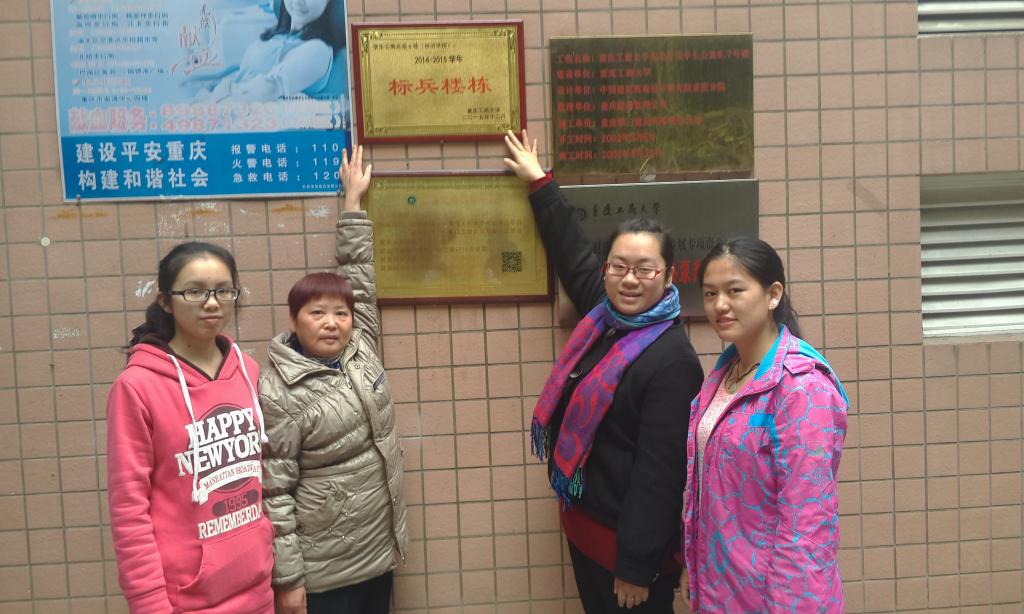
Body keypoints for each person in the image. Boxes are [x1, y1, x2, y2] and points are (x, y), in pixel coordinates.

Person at [503, 130, 704, 613]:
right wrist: (539, 183)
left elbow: (660, 477)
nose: (629, 279)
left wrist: (636, 566)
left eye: (645, 269)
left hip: (627, 558)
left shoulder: (673, 362)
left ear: (669, 276)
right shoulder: (605, 315)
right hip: (587, 532)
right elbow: (572, 253)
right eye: (619, 266)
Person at [260, 145, 408, 614]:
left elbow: (358, 273)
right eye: (317, 313)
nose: (332, 323)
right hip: (324, 572)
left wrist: (353, 203)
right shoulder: (277, 391)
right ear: (294, 319)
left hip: (378, 552)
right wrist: (288, 580)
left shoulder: (361, 346)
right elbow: (274, 494)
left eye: (341, 313)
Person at [681, 237, 849, 612]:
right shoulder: (724, 375)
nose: (719, 305)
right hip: (721, 588)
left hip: (771, 598)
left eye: (734, 290)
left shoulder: (802, 388)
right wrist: (693, 564)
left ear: (773, 294)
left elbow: (806, 525)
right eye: (710, 293)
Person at [106, 242, 274, 613]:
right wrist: (149, 605)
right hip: (188, 600)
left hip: (258, 587)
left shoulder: (247, 370)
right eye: (195, 292)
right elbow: (129, 511)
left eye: (223, 291)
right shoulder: (137, 386)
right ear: (165, 301)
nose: (212, 303)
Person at [200, 0, 345, 102]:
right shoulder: (279, 36)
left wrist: (213, 103)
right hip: (220, 98)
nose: (298, 1)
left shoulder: (317, 50)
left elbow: (267, 90)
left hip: (233, 110)